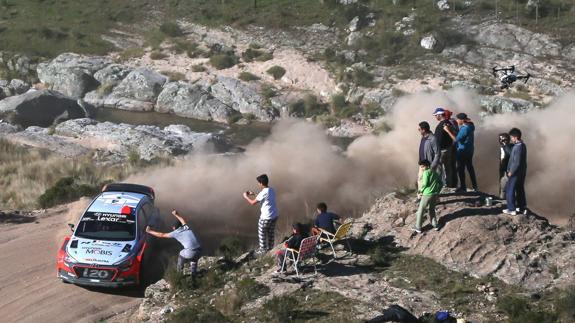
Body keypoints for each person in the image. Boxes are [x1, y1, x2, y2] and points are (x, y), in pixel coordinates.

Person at [146, 209, 202, 275]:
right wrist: (176, 214)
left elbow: (161, 235)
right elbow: (182, 220)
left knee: (181, 254)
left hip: (190, 252)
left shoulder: (176, 233)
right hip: (199, 250)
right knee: (194, 258)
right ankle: (193, 273)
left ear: (174, 227)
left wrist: (149, 231)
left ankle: (179, 273)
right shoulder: (186, 227)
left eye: (173, 227)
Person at [243, 174, 279, 254]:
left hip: (266, 217)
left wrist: (246, 197)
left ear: (261, 183)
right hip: (274, 216)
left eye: (258, 182)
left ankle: (262, 250)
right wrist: (254, 194)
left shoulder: (263, 192)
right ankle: (270, 249)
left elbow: (253, 203)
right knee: (270, 233)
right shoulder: (271, 189)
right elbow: (265, 197)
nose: (258, 184)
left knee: (262, 233)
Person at [444, 113, 478, 192]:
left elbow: (456, 140)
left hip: (462, 150)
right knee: (470, 168)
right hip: (470, 149)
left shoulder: (464, 128)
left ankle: (463, 187)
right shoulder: (470, 125)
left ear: (462, 120)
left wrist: (448, 131)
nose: (457, 121)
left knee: (460, 168)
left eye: (458, 119)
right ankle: (475, 186)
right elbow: (461, 136)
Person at [413, 159, 443, 234]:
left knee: (421, 210)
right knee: (432, 209)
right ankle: (435, 225)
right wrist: (438, 191)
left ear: (427, 166)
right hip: (434, 194)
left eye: (423, 166)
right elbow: (441, 183)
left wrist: (420, 191)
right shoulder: (435, 172)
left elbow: (425, 183)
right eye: (421, 167)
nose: (422, 168)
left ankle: (418, 227)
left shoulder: (426, 173)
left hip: (426, 194)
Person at [504, 128, 528, 215]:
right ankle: (522, 208)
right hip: (522, 172)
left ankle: (511, 209)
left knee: (509, 189)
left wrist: (511, 171)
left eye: (511, 137)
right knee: (520, 189)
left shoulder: (517, 147)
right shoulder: (523, 145)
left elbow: (516, 162)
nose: (511, 139)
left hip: (515, 172)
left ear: (515, 137)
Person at [433, 107, 458, 188]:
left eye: (436, 115)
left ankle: (442, 185)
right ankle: (449, 185)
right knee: (448, 168)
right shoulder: (449, 123)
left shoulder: (444, 125)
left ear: (440, 115)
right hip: (448, 148)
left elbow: (440, 139)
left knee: (440, 169)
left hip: (442, 150)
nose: (435, 117)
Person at [417, 121, 441, 190]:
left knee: (429, 182)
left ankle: (431, 198)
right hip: (422, 164)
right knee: (420, 180)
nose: (418, 131)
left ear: (423, 130)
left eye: (419, 129)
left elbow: (437, 153)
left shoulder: (433, 138)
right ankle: (420, 197)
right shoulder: (423, 137)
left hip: (429, 165)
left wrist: (433, 165)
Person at [498, 133, 514, 199]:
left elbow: (504, 159)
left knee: (504, 188)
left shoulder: (506, 148)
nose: (501, 141)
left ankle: (504, 201)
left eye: (502, 140)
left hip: (506, 170)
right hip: (506, 169)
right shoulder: (512, 146)